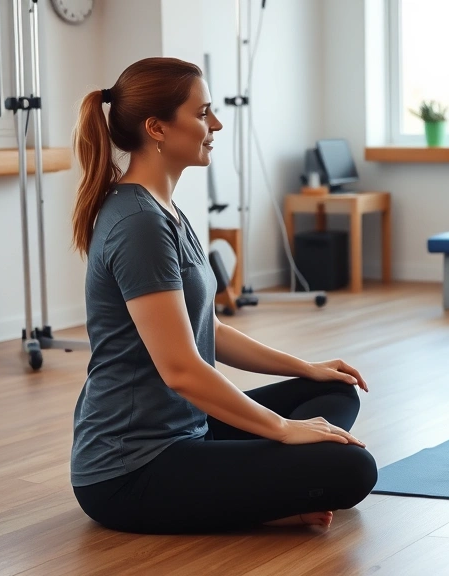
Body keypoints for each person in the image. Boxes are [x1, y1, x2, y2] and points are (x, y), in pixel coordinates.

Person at [69, 57, 376, 534]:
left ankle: (253, 483)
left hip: (191, 430)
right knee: (354, 470)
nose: (216, 123)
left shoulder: (165, 208)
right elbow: (181, 369)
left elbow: (206, 328)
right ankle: (267, 496)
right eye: (202, 113)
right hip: (130, 468)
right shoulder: (138, 224)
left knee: (334, 390)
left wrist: (304, 367)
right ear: (157, 128)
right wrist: (282, 429)